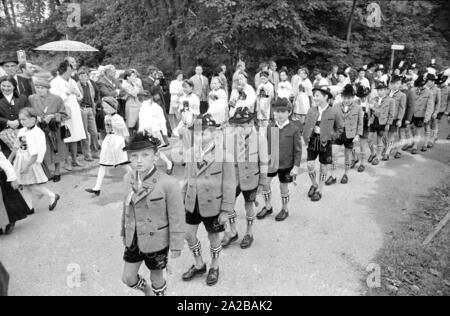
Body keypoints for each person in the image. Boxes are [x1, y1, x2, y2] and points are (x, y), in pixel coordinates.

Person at [121, 132, 185, 297]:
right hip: (134, 237)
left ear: (156, 156)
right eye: (134, 155)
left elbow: (177, 217)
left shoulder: (168, 183)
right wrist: (124, 232)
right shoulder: (128, 178)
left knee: (156, 277)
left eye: (145, 154)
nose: (139, 160)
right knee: (128, 278)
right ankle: (147, 291)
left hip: (157, 239)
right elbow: (127, 208)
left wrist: (176, 245)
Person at [182, 114, 236, 287]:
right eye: (196, 134)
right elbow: (187, 179)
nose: (199, 137)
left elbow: (229, 185)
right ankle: (199, 263)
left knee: (214, 237)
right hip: (192, 202)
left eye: (203, 134)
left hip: (213, 205)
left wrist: (226, 210)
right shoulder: (190, 153)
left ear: (214, 133)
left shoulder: (224, 156)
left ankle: (214, 265)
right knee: (188, 234)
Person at [222, 107, 268, 249]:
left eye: (241, 125)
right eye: (236, 125)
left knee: (249, 206)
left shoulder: (259, 138)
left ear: (251, 123)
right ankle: (233, 231)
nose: (238, 128)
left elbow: (264, 161)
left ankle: (249, 232)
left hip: (251, 179)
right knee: (229, 205)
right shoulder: (230, 138)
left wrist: (262, 182)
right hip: (234, 178)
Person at [257, 98, 301, 220]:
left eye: (283, 111)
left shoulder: (294, 129)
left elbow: (298, 150)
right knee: (265, 183)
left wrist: (296, 166)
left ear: (289, 112)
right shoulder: (271, 127)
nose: (279, 114)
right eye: (277, 111)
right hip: (272, 161)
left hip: (286, 163)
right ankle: (268, 206)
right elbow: (266, 146)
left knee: (283, 187)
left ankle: (285, 209)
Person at [9, 107, 60, 213]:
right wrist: (9, 159)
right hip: (21, 159)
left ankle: (52, 196)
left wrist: (27, 166)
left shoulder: (38, 133)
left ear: (33, 119)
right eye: (20, 120)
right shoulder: (22, 130)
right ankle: (29, 207)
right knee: (24, 184)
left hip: (31, 161)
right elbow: (16, 146)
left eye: (24, 119)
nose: (21, 122)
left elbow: (37, 152)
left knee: (33, 184)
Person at [303, 85, 344, 202]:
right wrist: (306, 137)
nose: (315, 98)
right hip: (312, 140)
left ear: (325, 97)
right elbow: (306, 125)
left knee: (323, 167)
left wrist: (331, 136)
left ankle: (320, 190)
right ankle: (314, 184)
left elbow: (340, 128)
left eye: (317, 96)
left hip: (326, 142)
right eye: (314, 95)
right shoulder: (311, 110)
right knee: (310, 165)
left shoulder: (334, 112)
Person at [85, 97, 131, 196]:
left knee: (124, 164)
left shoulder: (118, 118)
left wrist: (126, 144)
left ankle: (139, 180)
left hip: (117, 142)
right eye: (103, 107)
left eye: (106, 107)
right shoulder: (106, 117)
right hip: (108, 141)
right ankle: (97, 188)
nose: (104, 110)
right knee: (103, 164)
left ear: (114, 107)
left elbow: (124, 132)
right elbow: (106, 130)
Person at [29, 79, 69, 182]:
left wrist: (53, 116)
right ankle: (45, 172)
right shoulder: (32, 98)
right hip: (38, 128)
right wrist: (35, 118)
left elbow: (65, 115)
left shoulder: (57, 99)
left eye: (42, 88)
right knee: (42, 150)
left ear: (47, 89)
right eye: (37, 87)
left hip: (54, 128)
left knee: (56, 149)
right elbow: (29, 112)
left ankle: (57, 171)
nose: (39, 90)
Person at [50, 61, 86, 170]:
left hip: (75, 112)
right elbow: (55, 98)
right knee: (66, 137)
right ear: (65, 70)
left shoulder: (72, 81)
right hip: (64, 113)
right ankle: (67, 161)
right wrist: (67, 92)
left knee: (75, 136)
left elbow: (80, 97)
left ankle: (75, 159)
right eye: (70, 69)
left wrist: (76, 92)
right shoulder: (55, 82)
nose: (72, 72)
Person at [327, 85, 363, 185]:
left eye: (349, 98)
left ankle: (346, 174)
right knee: (333, 155)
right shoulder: (335, 106)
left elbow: (360, 123)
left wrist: (357, 135)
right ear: (342, 97)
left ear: (353, 97)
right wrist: (332, 133)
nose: (347, 100)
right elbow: (331, 121)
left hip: (350, 136)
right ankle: (333, 176)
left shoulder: (358, 108)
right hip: (337, 135)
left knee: (348, 156)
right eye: (345, 97)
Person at [138, 89, 174, 175]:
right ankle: (165, 164)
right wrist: (140, 131)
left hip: (155, 131)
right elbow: (141, 120)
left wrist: (164, 133)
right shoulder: (142, 106)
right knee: (151, 150)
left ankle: (167, 164)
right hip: (146, 132)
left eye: (145, 98)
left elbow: (162, 120)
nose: (144, 101)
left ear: (150, 98)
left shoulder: (157, 107)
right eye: (142, 99)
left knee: (154, 150)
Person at [0, 151, 29, 236]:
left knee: (10, 201)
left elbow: (6, 164)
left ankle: (12, 220)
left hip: (3, 177)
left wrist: (12, 179)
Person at [0, 76, 31, 157]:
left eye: (8, 86)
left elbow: (28, 111)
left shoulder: (22, 98)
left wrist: (18, 121)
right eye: (3, 86)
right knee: (10, 158)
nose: (5, 88)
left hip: (23, 132)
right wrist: (7, 122)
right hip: (3, 135)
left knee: (25, 154)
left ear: (14, 86)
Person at [404, 76, 435, 154]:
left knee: (418, 131)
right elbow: (408, 103)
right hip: (412, 114)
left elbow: (430, 106)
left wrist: (427, 117)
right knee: (408, 128)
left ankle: (415, 146)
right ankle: (411, 142)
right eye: (420, 85)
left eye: (423, 85)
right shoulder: (412, 90)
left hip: (421, 115)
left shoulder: (429, 93)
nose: (421, 87)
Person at [367, 82, 395, 165]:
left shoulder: (390, 100)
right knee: (369, 140)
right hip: (373, 121)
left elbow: (391, 114)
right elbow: (370, 111)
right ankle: (373, 153)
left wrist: (388, 124)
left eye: (382, 90)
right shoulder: (374, 99)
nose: (380, 92)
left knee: (379, 141)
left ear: (386, 90)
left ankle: (378, 157)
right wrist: (369, 119)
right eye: (378, 90)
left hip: (382, 122)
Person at [78, 68, 101, 161]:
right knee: (85, 134)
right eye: (81, 75)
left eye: (85, 75)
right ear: (78, 77)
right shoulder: (77, 85)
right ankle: (87, 154)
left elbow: (94, 96)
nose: (83, 77)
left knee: (94, 132)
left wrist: (94, 105)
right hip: (82, 109)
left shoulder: (90, 85)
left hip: (90, 109)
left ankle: (95, 151)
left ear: (87, 77)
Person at [384, 75, 406, 160]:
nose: (395, 85)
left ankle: (387, 152)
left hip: (394, 118)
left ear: (400, 84)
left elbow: (402, 108)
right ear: (391, 84)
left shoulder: (402, 95)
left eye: (398, 83)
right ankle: (387, 148)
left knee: (391, 135)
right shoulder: (386, 93)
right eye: (393, 83)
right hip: (385, 118)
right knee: (384, 135)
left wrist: (400, 119)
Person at [353, 85, 372, 173]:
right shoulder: (355, 102)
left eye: (364, 96)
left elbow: (374, 116)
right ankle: (354, 158)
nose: (363, 98)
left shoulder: (371, 103)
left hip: (365, 126)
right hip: (355, 125)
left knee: (362, 145)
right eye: (361, 96)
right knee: (352, 144)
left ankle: (362, 163)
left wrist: (370, 121)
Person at [121, 70, 142, 135]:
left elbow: (141, 91)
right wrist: (137, 86)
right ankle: (130, 139)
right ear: (128, 77)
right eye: (133, 76)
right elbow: (134, 93)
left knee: (139, 122)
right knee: (130, 123)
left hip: (137, 103)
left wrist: (137, 87)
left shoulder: (133, 83)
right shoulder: (125, 84)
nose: (135, 77)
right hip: (130, 104)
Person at [426, 74, 441, 148]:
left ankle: (431, 140)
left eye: (428, 81)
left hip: (433, 111)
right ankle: (429, 139)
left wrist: (436, 112)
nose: (426, 82)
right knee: (427, 126)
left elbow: (438, 102)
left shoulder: (437, 90)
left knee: (433, 126)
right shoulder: (426, 88)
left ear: (432, 81)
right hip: (427, 111)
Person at [436, 74, 449, 140]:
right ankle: (435, 135)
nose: (440, 84)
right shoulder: (437, 88)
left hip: (444, 108)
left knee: (448, 120)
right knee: (435, 122)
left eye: (442, 83)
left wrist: (447, 110)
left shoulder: (448, 89)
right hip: (437, 108)